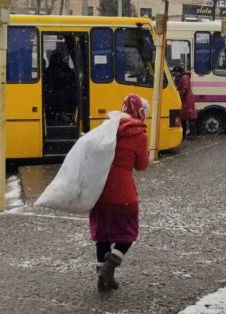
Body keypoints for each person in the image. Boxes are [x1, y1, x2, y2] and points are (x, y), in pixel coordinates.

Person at [91, 94, 150, 292]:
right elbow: (142, 165)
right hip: (123, 192)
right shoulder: (139, 134)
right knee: (128, 233)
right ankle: (109, 268)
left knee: (103, 235)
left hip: (99, 189)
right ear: (140, 112)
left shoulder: (106, 126)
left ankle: (103, 281)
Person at [44, 45, 78, 125]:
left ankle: (72, 115)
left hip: (65, 88)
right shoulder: (50, 69)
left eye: (60, 58)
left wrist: (66, 76)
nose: (58, 60)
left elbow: (72, 75)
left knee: (73, 94)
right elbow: (48, 80)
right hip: (53, 90)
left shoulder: (65, 67)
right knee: (61, 95)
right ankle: (62, 113)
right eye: (57, 58)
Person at [173, 66, 197, 139]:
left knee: (188, 117)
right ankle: (189, 134)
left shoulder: (184, 77)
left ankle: (191, 135)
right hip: (186, 99)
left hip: (186, 100)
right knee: (187, 117)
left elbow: (185, 88)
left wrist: (179, 94)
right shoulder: (184, 77)